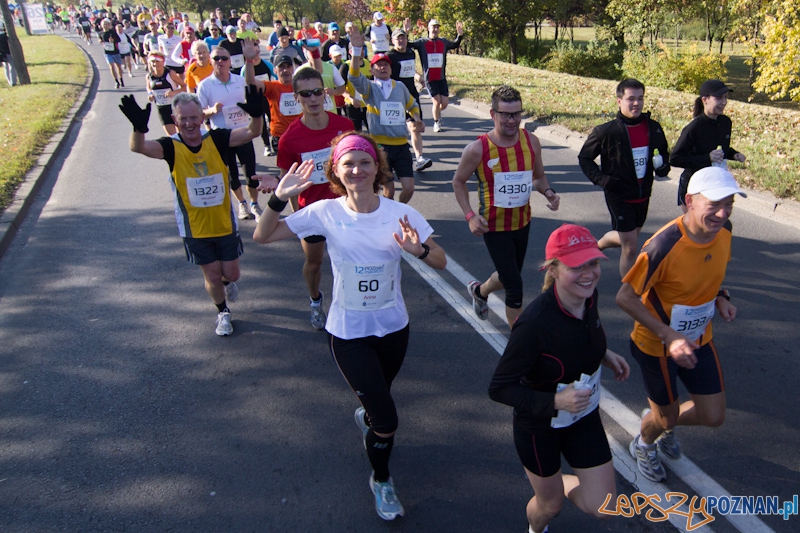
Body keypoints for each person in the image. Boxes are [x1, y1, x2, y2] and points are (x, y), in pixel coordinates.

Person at [252, 131, 446, 521]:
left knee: (379, 401)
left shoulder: (399, 214)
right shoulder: (325, 211)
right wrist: (277, 198)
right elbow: (263, 235)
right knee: (388, 420)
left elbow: (440, 259)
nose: (357, 169)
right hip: (348, 332)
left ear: (377, 168)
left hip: (393, 327)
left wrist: (419, 250)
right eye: (348, 163)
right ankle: (382, 479)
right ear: (336, 172)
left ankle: (369, 419)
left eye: (365, 162)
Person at [489, 224, 629, 533]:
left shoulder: (589, 298)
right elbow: (499, 388)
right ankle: (537, 524)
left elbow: (582, 334)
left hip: (581, 416)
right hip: (539, 426)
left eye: (592, 263)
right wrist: (554, 400)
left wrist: (605, 354)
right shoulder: (534, 324)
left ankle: (552, 486)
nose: (588, 273)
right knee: (550, 507)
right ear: (553, 270)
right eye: (576, 266)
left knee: (604, 507)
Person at [616, 166, 743, 483]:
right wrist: (670, 336)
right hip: (656, 344)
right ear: (689, 201)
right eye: (713, 204)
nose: (721, 212)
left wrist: (721, 297)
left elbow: (709, 274)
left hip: (699, 338)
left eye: (728, 204)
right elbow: (625, 297)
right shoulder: (663, 246)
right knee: (667, 414)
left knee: (713, 416)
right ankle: (644, 442)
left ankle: (662, 423)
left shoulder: (724, 230)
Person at [120, 89, 264, 335]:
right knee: (212, 275)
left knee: (231, 274)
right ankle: (223, 312)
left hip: (224, 224)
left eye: (193, 117)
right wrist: (138, 128)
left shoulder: (217, 139)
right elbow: (139, 147)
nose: (188, 123)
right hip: (194, 228)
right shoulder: (170, 147)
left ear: (202, 117)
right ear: (175, 120)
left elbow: (253, 132)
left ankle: (227, 284)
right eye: (182, 118)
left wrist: (258, 115)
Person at [452, 85, 560, 328]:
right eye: (505, 114)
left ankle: (480, 292)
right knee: (514, 286)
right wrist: (470, 215)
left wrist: (549, 192)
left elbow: (539, 177)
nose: (512, 120)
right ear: (493, 114)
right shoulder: (478, 149)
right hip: (494, 226)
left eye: (516, 114)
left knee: (507, 275)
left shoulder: (531, 141)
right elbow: (458, 182)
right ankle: (520, 346)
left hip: (522, 221)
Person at [273, 67, 354, 330]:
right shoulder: (289, 139)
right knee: (315, 262)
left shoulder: (345, 126)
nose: (313, 98)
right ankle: (315, 299)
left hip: (345, 207)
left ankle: (352, 304)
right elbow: (287, 183)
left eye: (317, 92)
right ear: (297, 98)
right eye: (306, 94)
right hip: (313, 212)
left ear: (325, 92)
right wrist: (298, 216)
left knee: (351, 259)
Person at [578, 78, 670, 278]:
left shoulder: (653, 128)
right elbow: (584, 158)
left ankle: (598, 245)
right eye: (631, 99)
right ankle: (628, 296)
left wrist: (662, 167)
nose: (636, 103)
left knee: (630, 238)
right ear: (619, 101)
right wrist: (603, 180)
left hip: (643, 193)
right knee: (630, 247)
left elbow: (662, 156)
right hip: (618, 195)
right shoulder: (606, 131)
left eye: (640, 98)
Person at [348, 31, 423, 204]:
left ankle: (396, 209)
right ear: (372, 69)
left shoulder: (400, 87)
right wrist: (357, 50)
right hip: (381, 146)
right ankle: (388, 214)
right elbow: (353, 77)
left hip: (402, 145)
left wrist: (417, 118)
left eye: (386, 65)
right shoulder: (370, 89)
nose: (383, 67)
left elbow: (412, 105)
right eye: (378, 65)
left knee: (409, 188)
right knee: (388, 191)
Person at [197, 45, 261, 221]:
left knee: (251, 173)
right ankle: (242, 204)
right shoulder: (205, 86)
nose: (220, 62)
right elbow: (198, 114)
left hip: (243, 133)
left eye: (224, 58)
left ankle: (255, 204)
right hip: (221, 136)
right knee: (231, 174)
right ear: (211, 61)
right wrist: (211, 111)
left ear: (230, 61)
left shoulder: (240, 81)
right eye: (216, 58)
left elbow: (251, 101)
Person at [671, 79, 747, 212]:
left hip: (716, 184)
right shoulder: (694, 128)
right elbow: (675, 159)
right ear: (705, 100)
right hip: (694, 186)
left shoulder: (725, 122)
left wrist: (734, 154)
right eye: (718, 98)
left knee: (715, 227)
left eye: (725, 97)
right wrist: (707, 158)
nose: (724, 102)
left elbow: (722, 148)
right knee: (696, 229)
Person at [406, 19, 464, 133]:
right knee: (436, 102)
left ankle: (437, 113)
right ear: (428, 28)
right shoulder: (422, 42)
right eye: (433, 27)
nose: (435, 29)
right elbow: (409, 45)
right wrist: (406, 32)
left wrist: (460, 35)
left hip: (441, 78)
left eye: (437, 27)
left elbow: (455, 44)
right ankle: (436, 122)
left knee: (445, 103)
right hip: (430, 79)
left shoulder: (443, 42)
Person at [388, 27, 432, 172]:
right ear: (392, 40)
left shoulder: (410, 53)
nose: (401, 40)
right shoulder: (390, 56)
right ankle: (389, 161)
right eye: (398, 38)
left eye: (403, 37)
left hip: (411, 95)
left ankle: (419, 159)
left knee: (415, 126)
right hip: (394, 97)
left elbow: (410, 70)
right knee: (394, 130)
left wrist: (418, 77)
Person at [246, 53, 301, 163]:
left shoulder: (300, 85)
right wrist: (249, 60)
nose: (285, 70)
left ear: (293, 68)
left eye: (288, 66)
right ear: (275, 70)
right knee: (286, 170)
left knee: (305, 168)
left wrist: (314, 53)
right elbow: (251, 82)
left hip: (300, 133)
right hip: (280, 135)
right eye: (281, 67)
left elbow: (318, 72)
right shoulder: (272, 86)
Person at [145, 51, 186, 135]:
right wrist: (150, 94)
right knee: (172, 137)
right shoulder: (149, 76)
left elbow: (184, 87)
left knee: (182, 135)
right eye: (152, 61)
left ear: (163, 62)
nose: (155, 64)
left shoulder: (170, 73)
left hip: (175, 107)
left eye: (157, 61)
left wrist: (173, 93)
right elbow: (148, 87)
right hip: (162, 109)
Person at [101, 18, 125, 89]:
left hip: (115, 52)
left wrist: (113, 40)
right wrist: (100, 41)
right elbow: (101, 40)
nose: (105, 26)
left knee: (119, 67)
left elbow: (119, 40)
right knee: (111, 66)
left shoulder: (113, 32)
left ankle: (121, 79)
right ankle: (116, 81)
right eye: (103, 24)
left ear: (109, 25)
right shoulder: (101, 33)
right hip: (107, 52)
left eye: (106, 24)